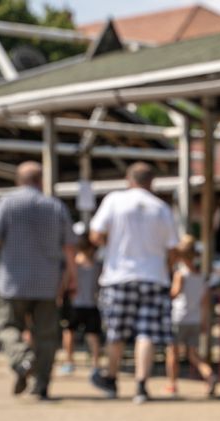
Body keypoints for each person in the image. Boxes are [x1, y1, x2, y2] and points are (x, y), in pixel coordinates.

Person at [0, 160, 76, 400]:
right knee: (47, 335)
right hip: (47, 281)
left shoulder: (7, 204)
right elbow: (69, 247)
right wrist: (70, 278)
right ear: (40, 180)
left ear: (18, 180)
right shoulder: (55, 206)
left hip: (13, 280)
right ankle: (41, 385)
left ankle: (23, 359)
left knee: (7, 326)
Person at [88, 162, 179, 405]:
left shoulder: (114, 200)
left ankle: (112, 377)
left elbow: (95, 235)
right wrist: (167, 271)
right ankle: (141, 385)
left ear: (129, 179)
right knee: (146, 332)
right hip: (153, 276)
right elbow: (173, 248)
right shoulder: (161, 208)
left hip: (119, 276)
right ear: (152, 182)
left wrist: (112, 242)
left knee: (117, 332)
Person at [165, 234, 218, 397]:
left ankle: (172, 384)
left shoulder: (180, 275)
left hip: (179, 317)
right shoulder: (201, 278)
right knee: (193, 354)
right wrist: (204, 322)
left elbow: (174, 294)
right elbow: (205, 304)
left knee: (173, 352)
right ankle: (209, 375)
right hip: (195, 319)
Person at [58, 224, 103, 375]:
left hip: (74, 304)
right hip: (92, 304)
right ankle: (96, 364)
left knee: (69, 332)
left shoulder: (73, 264)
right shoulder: (97, 265)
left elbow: (65, 282)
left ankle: (69, 361)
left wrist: (60, 295)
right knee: (93, 335)